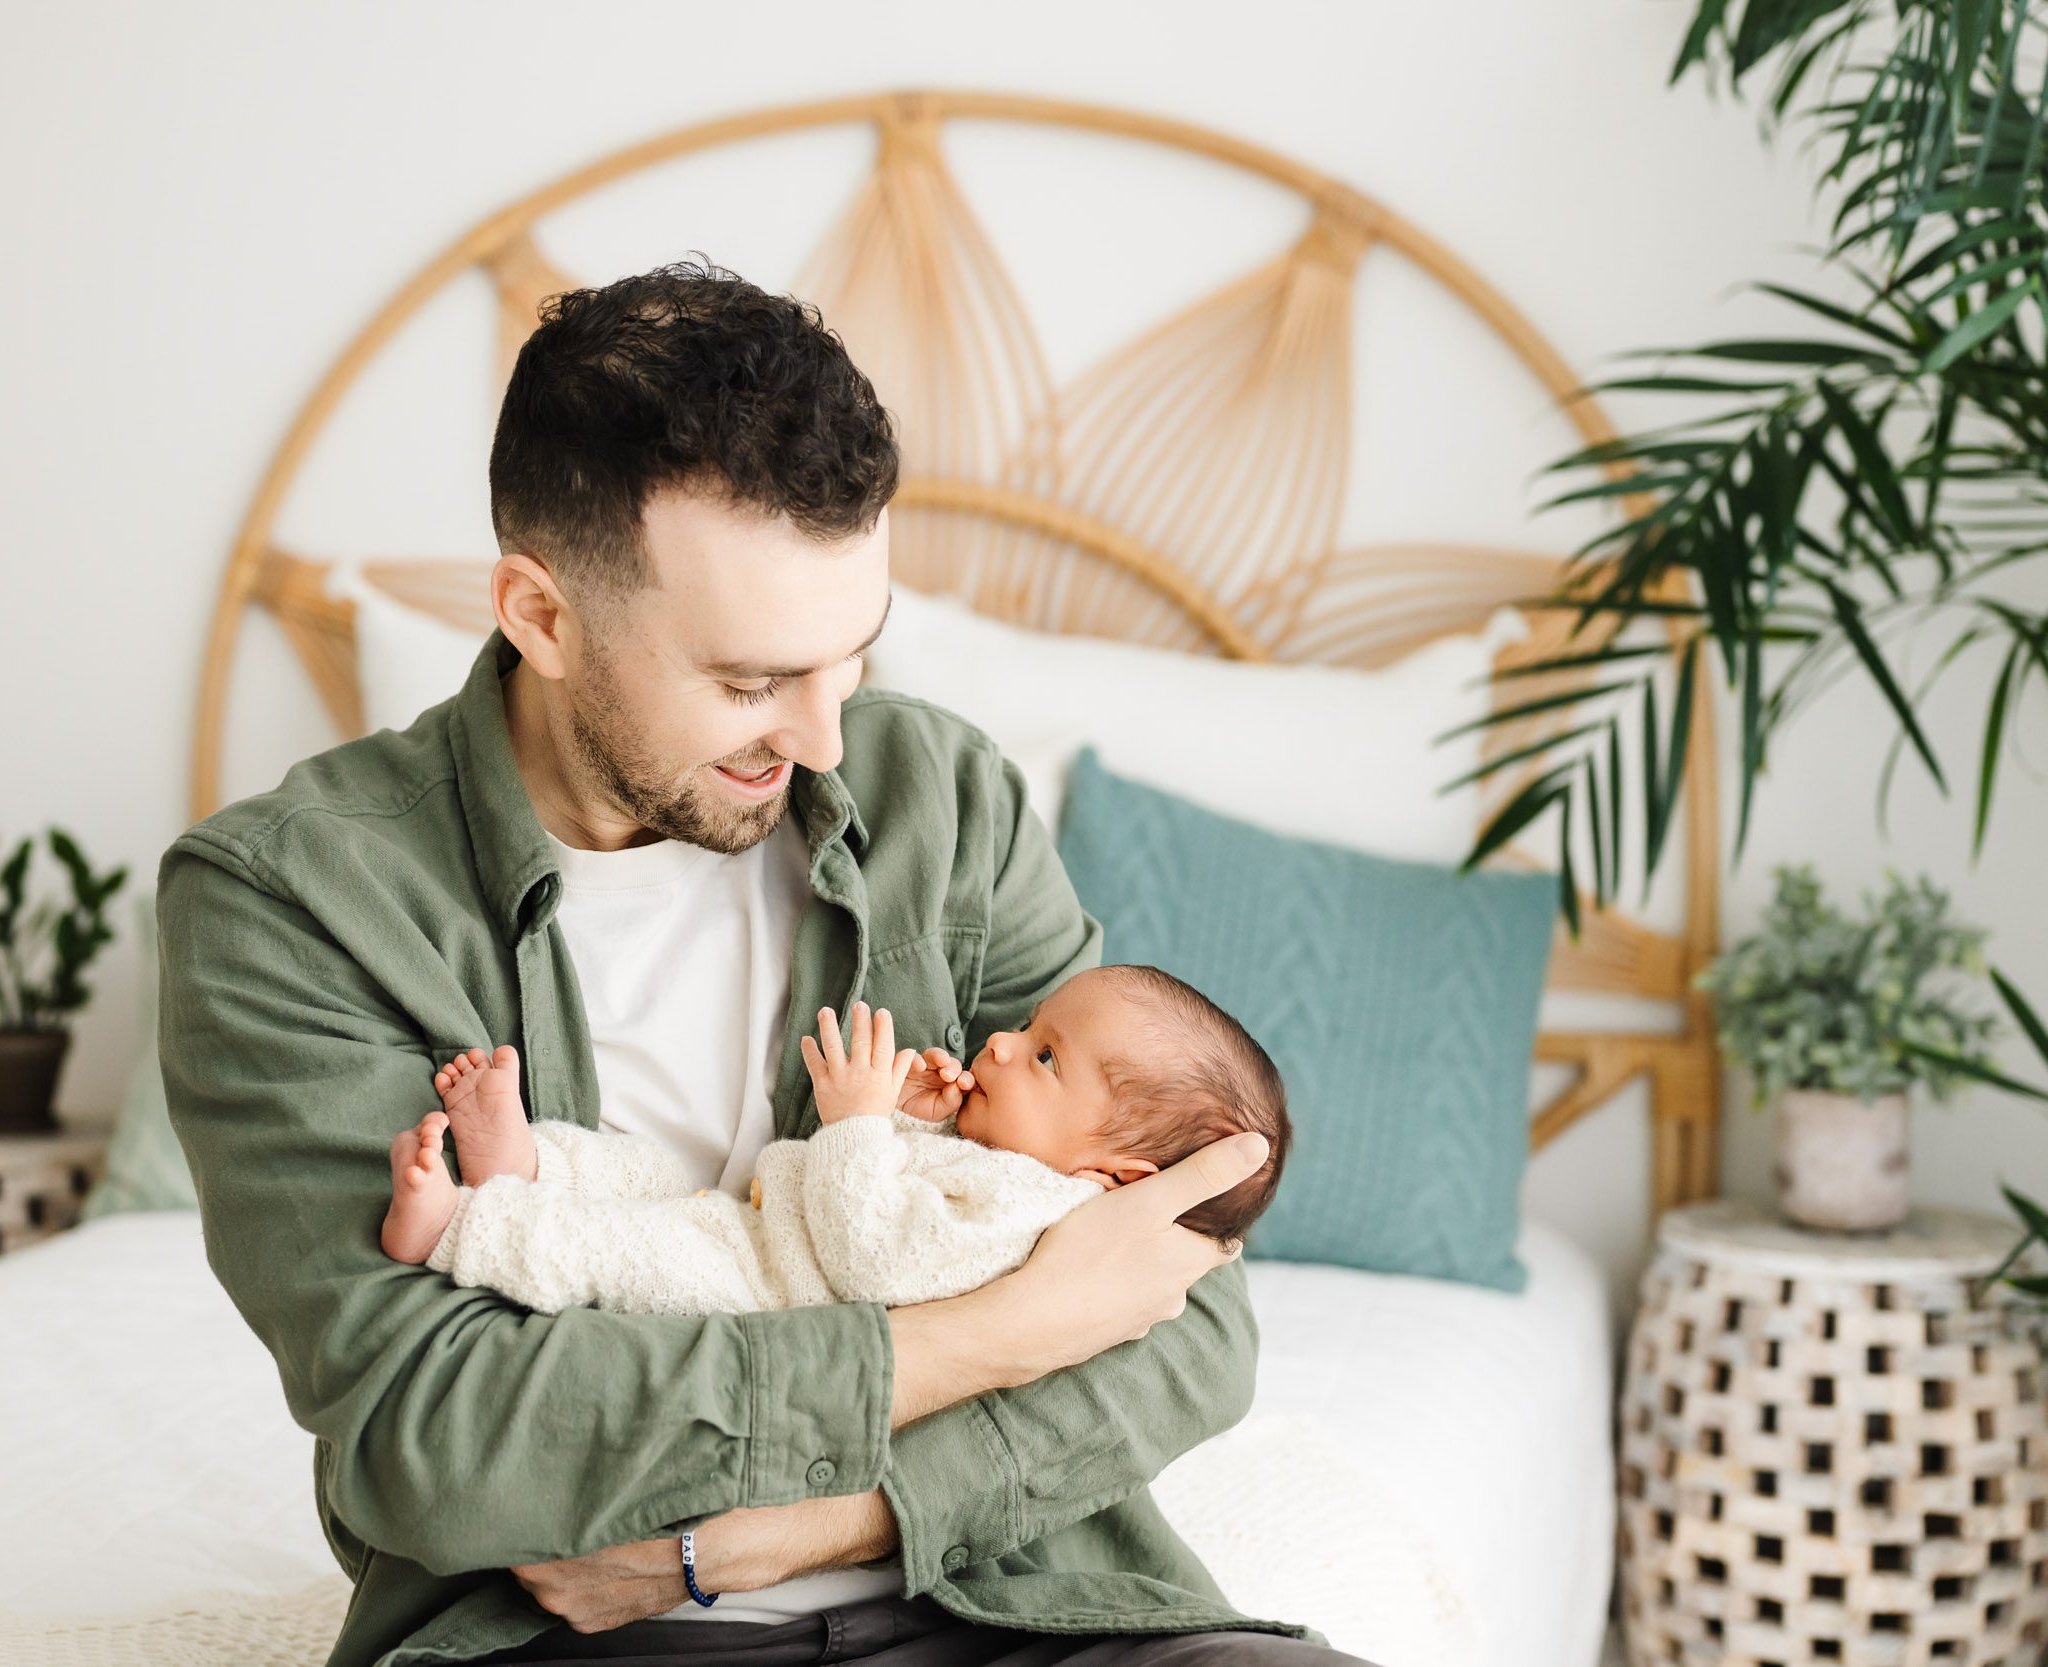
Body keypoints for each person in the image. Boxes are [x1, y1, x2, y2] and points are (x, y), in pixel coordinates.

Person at [156, 257, 1382, 1667]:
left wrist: (797, 1525)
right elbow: (437, 1437)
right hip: (567, 1635)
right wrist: (1000, 1331)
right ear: (542, 615)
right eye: (748, 683)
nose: (825, 743)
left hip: (1009, 1588)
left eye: (850, 658)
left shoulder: (947, 801)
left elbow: (1193, 1311)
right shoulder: (294, 899)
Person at [380, 972, 1293, 1315]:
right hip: (749, 1223)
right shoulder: (1011, 1168)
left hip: (762, 1296)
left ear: (1111, 1176)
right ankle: (524, 1159)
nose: (1003, 1041)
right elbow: (893, 1198)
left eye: (1046, 1055)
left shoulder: (1039, 1211)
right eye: (1030, 1023)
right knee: (643, 1170)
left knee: (612, 1249)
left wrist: (857, 1121)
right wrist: (913, 1117)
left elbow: (879, 1256)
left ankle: (457, 1226)